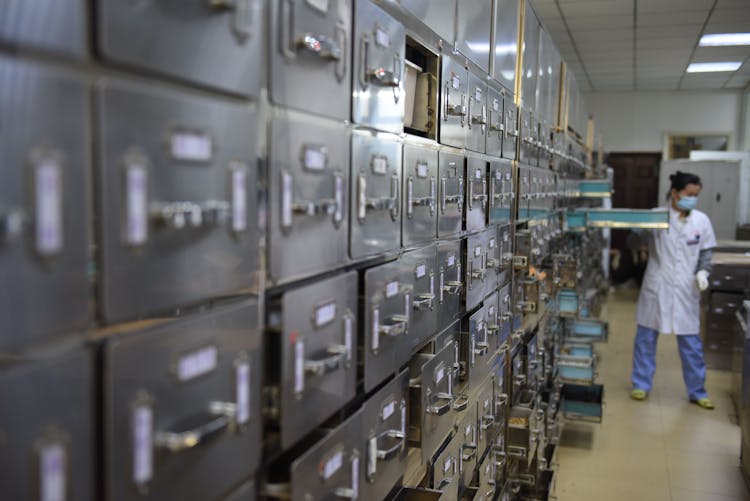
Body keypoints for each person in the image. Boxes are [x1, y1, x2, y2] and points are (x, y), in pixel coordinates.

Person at [630, 170, 717, 409]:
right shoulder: (656, 216)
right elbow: (633, 243)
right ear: (675, 194)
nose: (693, 199)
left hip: (685, 290)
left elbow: (706, 253)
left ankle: (697, 391)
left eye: (696, 195)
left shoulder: (701, 220)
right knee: (645, 340)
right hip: (657, 286)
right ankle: (641, 384)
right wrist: (640, 230)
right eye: (689, 194)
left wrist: (702, 272)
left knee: (691, 345)